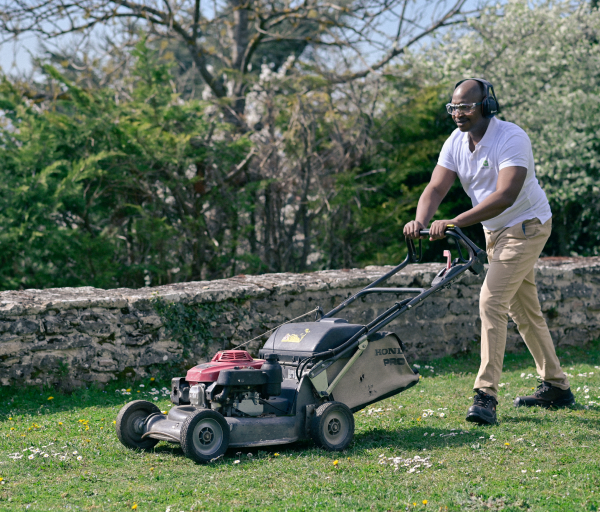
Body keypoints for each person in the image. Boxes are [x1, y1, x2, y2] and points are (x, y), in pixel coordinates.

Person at [403, 78, 575, 425]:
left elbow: (505, 195)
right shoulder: (455, 142)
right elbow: (436, 187)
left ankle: (486, 395)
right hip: (494, 232)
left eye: (466, 106)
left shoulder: (511, 138)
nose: (458, 113)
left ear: (486, 106)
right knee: (524, 310)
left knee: (491, 300)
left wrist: (454, 222)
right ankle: (557, 386)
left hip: (527, 225)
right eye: (453, 107)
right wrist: (420, 221)